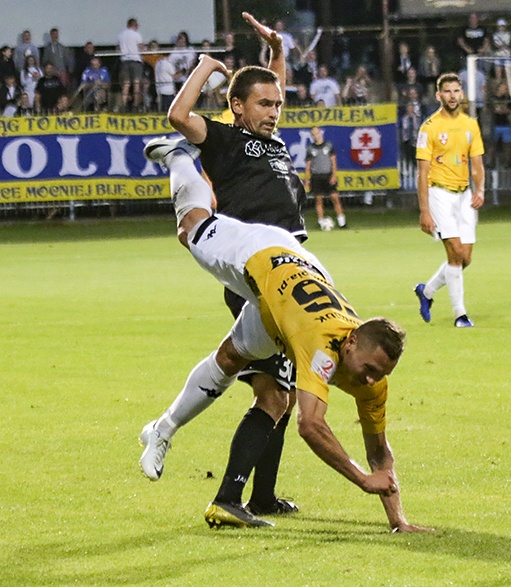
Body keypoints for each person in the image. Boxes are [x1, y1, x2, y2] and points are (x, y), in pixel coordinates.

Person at [140, 132, 430, 534]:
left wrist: (399, 520)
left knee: (230, 359)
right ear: (350, 343)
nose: (369, 380)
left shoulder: (369, 376)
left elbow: (380, 453)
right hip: (261, 254)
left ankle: (161, 430)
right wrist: (362, 480)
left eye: (379, 375)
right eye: (368, 369)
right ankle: (176, 156)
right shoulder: (321, 347)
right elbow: (311, 427)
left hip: (288, 299)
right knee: (190, 229)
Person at [139, 13, 312, 524]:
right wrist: (207, 67)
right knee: (276, 394)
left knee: (279, 391)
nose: (275, 111)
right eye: (264, 104)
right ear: (236, 106)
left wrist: (277, 51)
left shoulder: (274, 139)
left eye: (278, 104)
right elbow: (178, 113)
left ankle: (259, 497)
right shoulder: (223, 138)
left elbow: (271, 86)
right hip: (256, 271)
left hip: (286, 268)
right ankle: (230, 498)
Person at [413, 73, 485, 328]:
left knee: (465, 258)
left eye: (456, 91)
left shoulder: (470, 125)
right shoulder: (429, 127)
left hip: (464, 195)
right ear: (438, 95)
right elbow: (422, 172)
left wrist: (480, 190)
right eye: (447, 91)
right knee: (454, 253)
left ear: (462, 94)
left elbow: (477, 164)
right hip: (439, 193)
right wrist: (425, 211)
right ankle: (460, 314)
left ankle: (427, 291)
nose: (452, 96)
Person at [305, 125, 348, 230]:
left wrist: (334, 175)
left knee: (335, 198)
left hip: (328, 175)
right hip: (316, 176)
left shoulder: (328, 146)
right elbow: (308, 165)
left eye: (317, 133)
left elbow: (333, 161)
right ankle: (321, 223)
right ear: (312, 136)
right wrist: (307, 179)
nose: (316, 136)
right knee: (319, 200)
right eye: (313, 134)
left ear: (321, 133)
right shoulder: (310, 148)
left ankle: (342, 222)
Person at [116, 18, 144, 112]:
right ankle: (135, 105)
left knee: (126, 84)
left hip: (124, 61)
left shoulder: (121, 35)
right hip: (135, 60)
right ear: (135, 25)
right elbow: (140, 47)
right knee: (136, 83)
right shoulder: (136, 35)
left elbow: (118, 48)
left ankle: (123, 105)